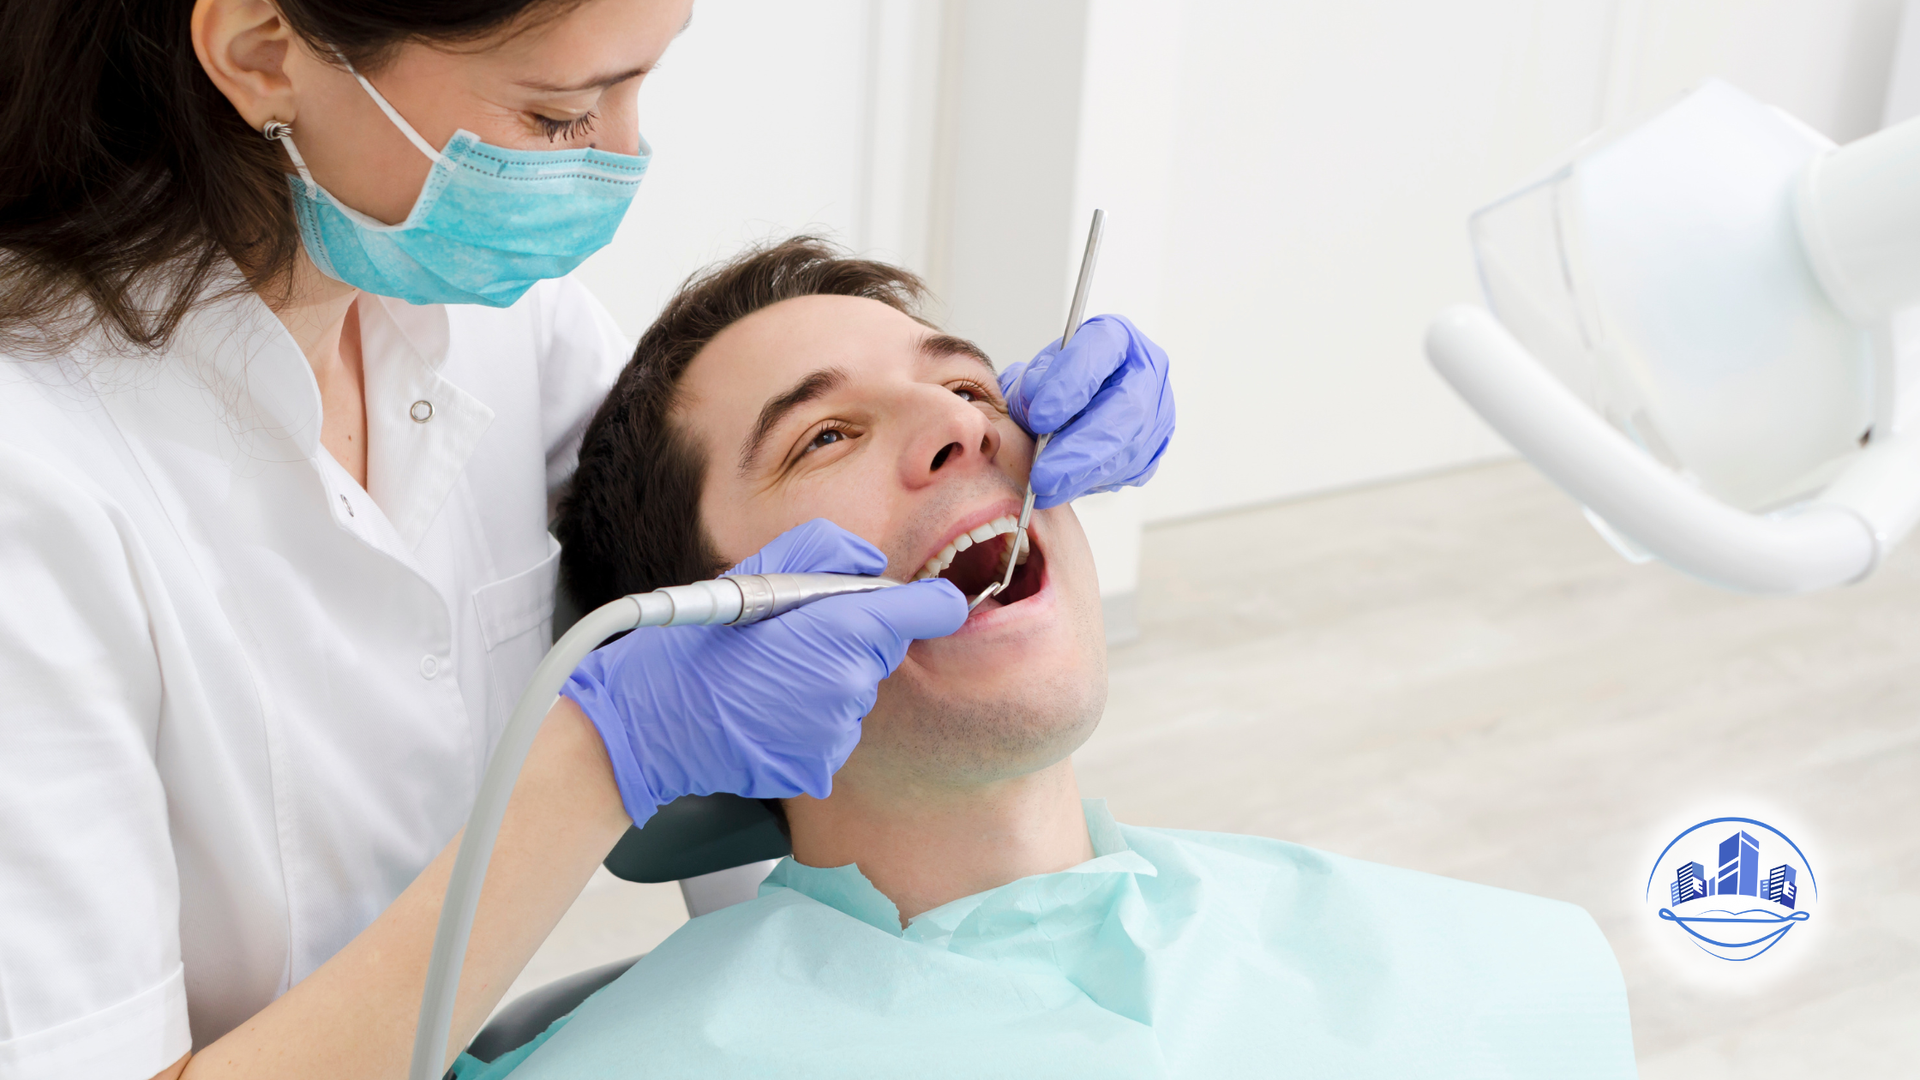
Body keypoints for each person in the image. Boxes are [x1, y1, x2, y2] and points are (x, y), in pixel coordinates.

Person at [0, 3, 1175, 1079]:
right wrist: (608, 757)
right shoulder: (38, 476)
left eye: (969, 388)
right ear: (263, 52)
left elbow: (690, 563)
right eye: (558, 113)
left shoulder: (508, 321)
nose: (623, 155)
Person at [453, 238, 1636, 1078]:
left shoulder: (1492, 974)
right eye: (826, 436)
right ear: (705, 627)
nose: (965, 427)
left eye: (968, 385)